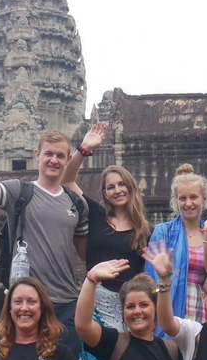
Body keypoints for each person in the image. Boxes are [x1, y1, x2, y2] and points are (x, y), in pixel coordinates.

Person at [0, 114, 88, 360]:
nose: (54, 160)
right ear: (37, 156)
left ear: (69, 160)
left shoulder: (77, 204)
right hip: (27, 304)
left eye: (60, 156)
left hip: (67, 302)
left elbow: (86, 254)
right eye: (48, 154)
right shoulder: (19, 192)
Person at [62, 121, 152, 331]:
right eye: (110, 187)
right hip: (95, 298)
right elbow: (66, 181)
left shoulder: (146, 229)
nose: (117, 190)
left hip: (130, 305)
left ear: (130, 188)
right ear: (105, 194)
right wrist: (84, 149)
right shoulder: (96, 214)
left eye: (121, 185)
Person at [143, 164, 207, 323]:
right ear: (175, 202)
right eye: (182, 198)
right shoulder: (164, 232)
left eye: (194, 197)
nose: (188, 203)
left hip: (203, 308)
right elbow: (151, 279)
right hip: (170, 306)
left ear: (204, 199)